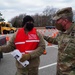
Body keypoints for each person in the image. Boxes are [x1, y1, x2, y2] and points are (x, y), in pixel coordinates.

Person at [43, 7, 75, 75]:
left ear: (65, 21)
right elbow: (56, 41)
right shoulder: (62, 32)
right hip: (60, 71)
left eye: (57, 20)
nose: (56, 22)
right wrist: (43, 37)